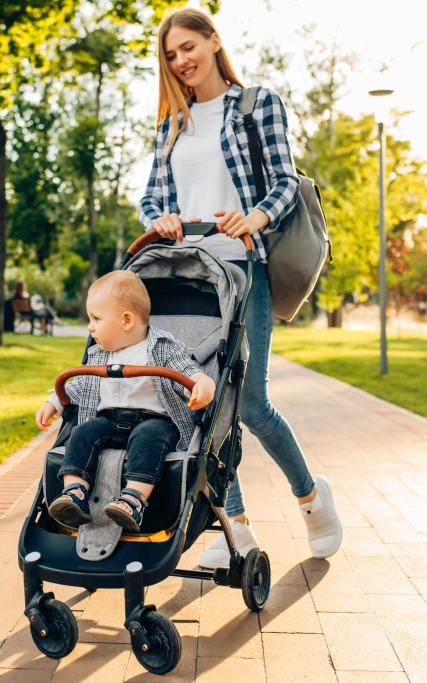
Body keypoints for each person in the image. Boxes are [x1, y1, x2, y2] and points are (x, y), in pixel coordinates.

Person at [137, 8, 343, 565]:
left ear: (212, 41)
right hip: (189, 277)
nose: (181, 61)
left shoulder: (257, 105)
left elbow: (283, 182)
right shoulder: (171, 125)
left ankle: (309, 497)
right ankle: (236, 527)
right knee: (204, 405)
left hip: (243, 268)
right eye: (171, 55)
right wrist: (162, 220)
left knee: (249, 404)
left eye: (187, 47)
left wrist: (254, 218)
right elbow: (152, 197)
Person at [35, 270, 216, 532]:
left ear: (127, 321)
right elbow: (81, 384)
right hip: (108, 420)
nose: (89, 326)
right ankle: (73, 493)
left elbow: (186, 371)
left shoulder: (162, 347)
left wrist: (203, 384)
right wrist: (54, 402)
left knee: (147, 440)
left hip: (153, 420)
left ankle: (133, 499)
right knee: (82, 432)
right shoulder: (99, 354)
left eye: (96, 318)